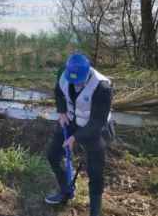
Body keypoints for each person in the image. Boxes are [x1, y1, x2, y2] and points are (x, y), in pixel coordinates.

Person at [45, 53, 115, 216]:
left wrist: (75, 138)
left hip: (95, 126)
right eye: (73, 80)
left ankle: (94, 212)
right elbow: (58, 91)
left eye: (81, 81)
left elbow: (98, 121)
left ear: (88, 72)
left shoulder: (102, 86)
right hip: (70, 119)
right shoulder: (64, 73)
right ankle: (65, 190)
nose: (77, 84)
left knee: (95, 172)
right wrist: (62, 112)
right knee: (53, 155)